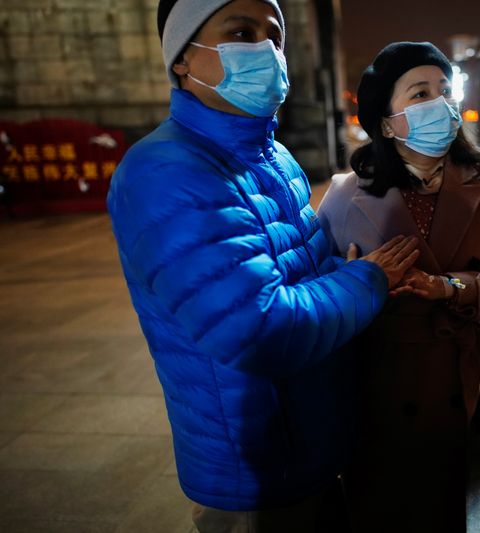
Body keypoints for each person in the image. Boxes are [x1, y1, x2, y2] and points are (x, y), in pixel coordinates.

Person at [106, 1, 419, 531]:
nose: (267, 52)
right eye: (241, 32)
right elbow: (257, 327)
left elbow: (314, 269)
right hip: (258, 472)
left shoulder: (272, 157)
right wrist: (369, 279)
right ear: (183, 59)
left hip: (311, 445)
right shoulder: (165, 171)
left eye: (274, 36)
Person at [317, 41, 480, 532]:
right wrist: (359, 276)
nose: (441, 104)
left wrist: (448, 287)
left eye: (444, 90)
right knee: (375, 509)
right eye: (420, 93)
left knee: (440, 507)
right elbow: (312, 278)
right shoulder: (345, 192)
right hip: (369, 382)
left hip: (448, 383)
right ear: (387, 121)